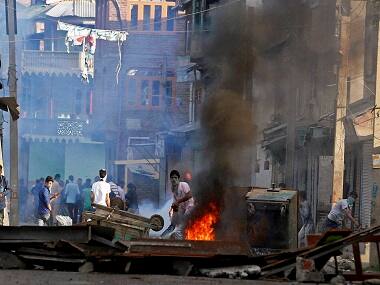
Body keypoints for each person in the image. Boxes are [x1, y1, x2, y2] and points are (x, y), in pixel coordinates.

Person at [161, 170, 194, 239]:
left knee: (181, 227)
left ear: (178, 179)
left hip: (190, 207)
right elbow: (176, 202)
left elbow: (189, 195)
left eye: (175, 178)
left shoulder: (183, 184)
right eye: (172, 178)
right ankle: (162, 237)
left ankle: (178, 239)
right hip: (183, 209)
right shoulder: (173, 189)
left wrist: (178, 202)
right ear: (170, 179)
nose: (173, 179)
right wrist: (174, 209)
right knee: (173, 223)